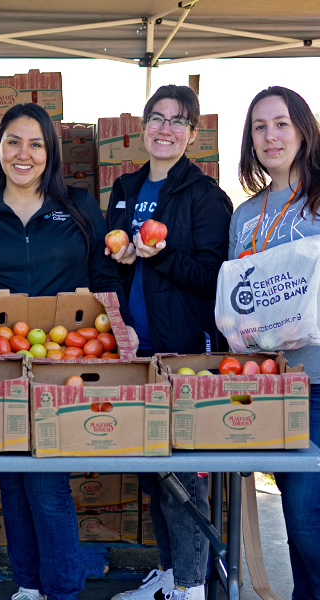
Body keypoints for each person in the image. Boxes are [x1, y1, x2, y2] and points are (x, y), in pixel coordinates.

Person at [0, 103, 137, 600]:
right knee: (12, 478)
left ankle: (62, 589)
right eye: (13, 141)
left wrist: (121, 328)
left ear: (50, 152)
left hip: (66, 362)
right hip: (4, 361)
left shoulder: (76, 206)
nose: (23, 153)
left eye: (35, 143)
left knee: (48, 479)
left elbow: (103, 276)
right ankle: (30, 585)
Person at [105, 85, 232, 600]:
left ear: (193, 134)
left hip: (182, 350)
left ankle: (190, 585)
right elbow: (108, 265)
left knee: (180, 472)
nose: (165, 129)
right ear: (142, 127)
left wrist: (159, 256)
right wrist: (119, 320)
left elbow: (213, 276)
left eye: (178, 121)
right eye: (157, 118)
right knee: (150, 469)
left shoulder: (204, 196)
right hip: (133, 350)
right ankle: (169, 571)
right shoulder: (124, 187)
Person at [230, 85, 320, 599]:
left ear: (304, 128)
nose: (270, 136)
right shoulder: (246, 216)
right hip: (274, 385)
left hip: (319, 377)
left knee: (309, 523)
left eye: (281, 123)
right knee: (295, 519)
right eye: (260, 127)